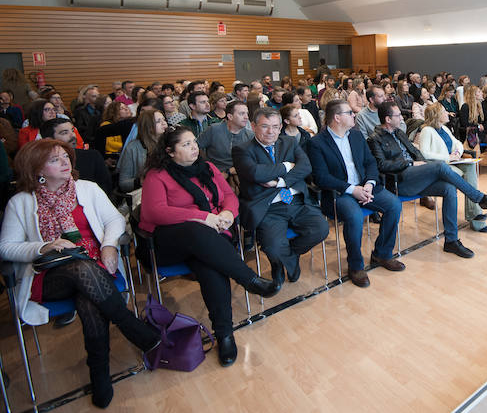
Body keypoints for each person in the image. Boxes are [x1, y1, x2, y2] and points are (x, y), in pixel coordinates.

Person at [0, 140, 161, 408]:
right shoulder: (21, 202)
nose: (66, 162)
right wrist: (44, 246)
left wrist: (109, 245)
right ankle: (133, 329)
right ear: (36, 168)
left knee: (89, 298)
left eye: (66, 156)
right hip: (49, 275)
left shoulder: (86, 189)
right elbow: (6, 247)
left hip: (96, 266)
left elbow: (114, 220)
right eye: (55, 160)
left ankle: (100, 374)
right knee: (81, 269)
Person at [140, 127, 280, 367]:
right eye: (186, 144)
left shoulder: (208, 168)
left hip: (211, 238)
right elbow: (155, 211)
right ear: (170, 151)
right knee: (196, 229)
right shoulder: (158, 175)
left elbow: (229, 196)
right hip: (170, 241)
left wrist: (227, 212)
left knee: (210, 267)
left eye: (194, 142)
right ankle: (249, 280)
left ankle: (225, 334)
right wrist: (203, 217)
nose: (194, 147)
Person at [368, 102, 487, 258]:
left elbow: (416, 152)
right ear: (387, 119)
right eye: (398, 115)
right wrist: (411, 163)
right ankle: (480, 198)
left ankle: (451, 241)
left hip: (416, 176)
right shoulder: (375, 139)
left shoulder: (399, 132)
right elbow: (381, 165)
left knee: (448, 189)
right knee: (440, 166)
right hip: (400, 181)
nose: (401, 117)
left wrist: (421, 164)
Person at [306, 100, 404, 288]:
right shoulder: (317, 143)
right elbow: (321, 177)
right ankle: (356, 266)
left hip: (364, 186)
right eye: (349, 113)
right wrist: (352, 190)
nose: (354, 115)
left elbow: (370, 163)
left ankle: (382, 254)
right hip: (338, 193)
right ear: (337, 117)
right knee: (354, 216)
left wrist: (369, 183)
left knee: (394, 205)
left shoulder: (357, 136)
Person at [232, 108, 330, 287]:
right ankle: (281, 261)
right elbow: (255, 173)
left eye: (275, 127)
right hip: (268, 207)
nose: (271, 132)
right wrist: (286, 166)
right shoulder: (242, 150)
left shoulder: (289, 142)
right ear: (253, 126)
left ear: (280, 127)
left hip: (293, 199)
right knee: (274, 247)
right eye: (265, 126)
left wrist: (280, 182)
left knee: (321, 228)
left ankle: (287, 257)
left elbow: (306, 167)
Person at [416, 102, 487, 233]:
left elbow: (457, 143)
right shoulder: (426, 131)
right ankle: (476, 214)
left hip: (451, 162)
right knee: (467, 176)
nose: (447, 113)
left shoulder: (445, 129)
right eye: (444, 112)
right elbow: (424, 154)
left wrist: (457, 152)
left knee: (470, 167)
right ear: (436, 115)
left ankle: (475, 212)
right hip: (439, 166)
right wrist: (447, 157)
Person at [40, 118, 113, 194]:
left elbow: (106, 189)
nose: (73, 135)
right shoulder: (42, 163)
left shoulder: (92, 156)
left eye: (73, 130)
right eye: (65, 133)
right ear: (49, 140)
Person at [197, 101, 253, 181]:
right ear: (230, 116)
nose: (246, 117)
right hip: (214, 173)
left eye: (247, 113)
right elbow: (196, 147)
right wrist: (206, 164)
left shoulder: (250, 136)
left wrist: (229, 171)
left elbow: (252, 162)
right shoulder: (214, 130)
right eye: (241, 114)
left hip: (239, 173)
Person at [116, 110, 167, 192]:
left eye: (164, 119)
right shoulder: (132, 148)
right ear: (148, 126)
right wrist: (141, 181)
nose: (164, 123)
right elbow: (123, 183)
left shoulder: (169, 143)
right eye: (158, 121)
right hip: (144, 192)